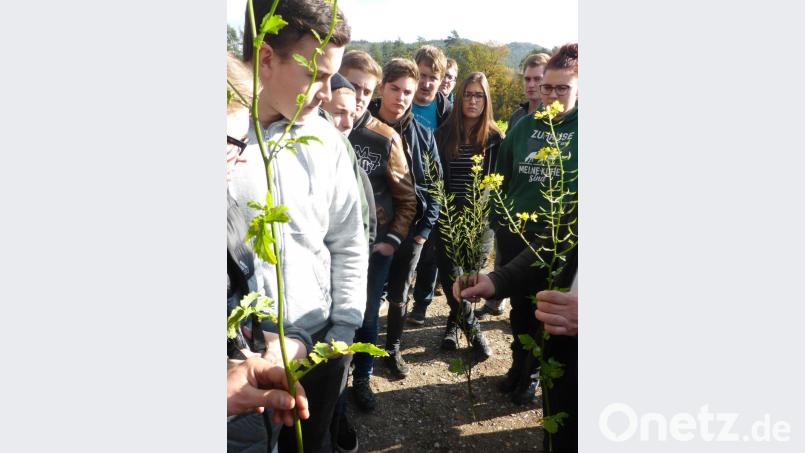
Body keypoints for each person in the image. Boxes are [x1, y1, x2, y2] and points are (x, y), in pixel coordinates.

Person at [234, 2, 369, 452]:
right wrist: (252, 343)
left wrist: (344, 331)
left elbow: (348, 241)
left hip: (322, 344)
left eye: (332, 76)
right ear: (267, 58)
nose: (327, 94)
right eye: (315, 74)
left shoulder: (327, 141)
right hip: (243, 364)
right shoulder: (229, 145)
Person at [226, 52, 312, 453]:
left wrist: (281, 340)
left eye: (243, 141)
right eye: (228, 141)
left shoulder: (235, 206)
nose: (237, 156)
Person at [485, 43, 578, 407]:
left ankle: (536, 377)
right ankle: (518, 367)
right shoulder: (523, 128)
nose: (553, 95)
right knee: (520, 311)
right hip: (516, 237)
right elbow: (502, 175)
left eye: (562, 88)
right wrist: (498, 219)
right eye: (547, 88)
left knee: (549, 315)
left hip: (562, 245)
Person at [350, 58, 441, 412]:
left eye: (409, 92)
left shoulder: (420, 134)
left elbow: (431, 187)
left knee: (394, 297)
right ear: (382, 88)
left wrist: (421, 232)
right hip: (366, 237)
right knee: (355, 309)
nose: (402, 97)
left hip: (403, 233)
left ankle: (391, 351)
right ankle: (348, 370)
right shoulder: (349, 120)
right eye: (395, 89)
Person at [339, 51, 418, 414]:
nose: (357, 96)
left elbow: (407, 197)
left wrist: (392, 241)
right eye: (352, 85)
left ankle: (363, 377)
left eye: (365, 89)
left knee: (368, 317)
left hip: (372, 252)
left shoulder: (384, 137)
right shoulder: (319, 128)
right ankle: (333, 385)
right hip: (328, 252)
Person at [474, 52, 552, 321]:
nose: (532, 85)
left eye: (538, 79)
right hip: (511, 210)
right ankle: (496, 301)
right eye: (528, 79)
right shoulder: (519, 116)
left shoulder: (560, 122)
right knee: (504, 260)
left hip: (543, 221)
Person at [408, 45, 453, 329]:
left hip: (434, 191)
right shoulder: (397, 100)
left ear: (440, 81)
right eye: (422, 75)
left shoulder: (446, 111)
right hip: (399, 190)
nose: (426, 83)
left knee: (429, 254)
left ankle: (421, 303)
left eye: (433, 78)